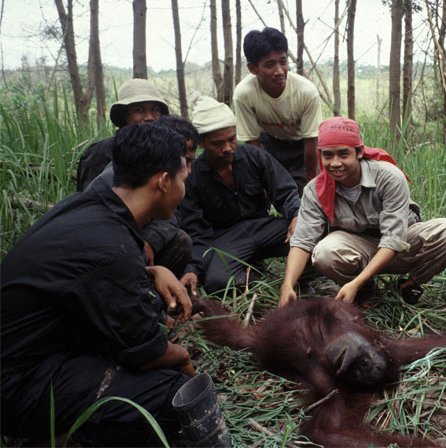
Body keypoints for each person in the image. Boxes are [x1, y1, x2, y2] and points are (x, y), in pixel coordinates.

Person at [1, 125, 198, 446]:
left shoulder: (89, 208)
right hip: (16, 384)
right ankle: (57, 438)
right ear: (163, 182)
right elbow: (147, 353)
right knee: (171, 396)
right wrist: (181, 356)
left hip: (32, 354)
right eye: (183, 180)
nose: (184, 190)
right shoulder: (109, 246)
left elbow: (92, 279)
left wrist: (153, 270)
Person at [278, 116, 446, 307]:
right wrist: (288, 285)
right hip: (358, 249)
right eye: (328, 155)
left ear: (359, 152)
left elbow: (394, 239)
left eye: (343, 154)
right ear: (320, 155)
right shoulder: (315, 189)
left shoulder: (388, 177)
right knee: (324, 253)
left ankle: (409, 285)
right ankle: (366, 292)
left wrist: (356, 282)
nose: (335, 163)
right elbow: (302, 241)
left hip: (402, 245)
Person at [178, 97, 300, 294]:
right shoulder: (193, 177)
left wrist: (296, 215)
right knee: (217, 282)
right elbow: (196, 231)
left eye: (231, 140)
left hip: (265, 229)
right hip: (227, 240)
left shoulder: (255, 156)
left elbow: (285, 191)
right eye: (217, 143)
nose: (227, 148)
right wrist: (193, 269)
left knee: (311, 233)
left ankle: (301, 277)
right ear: (201, 143)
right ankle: (260, 282)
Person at [87, 115, 200, 279]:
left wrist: (151, 241)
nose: (188, 171)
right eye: (185, 161)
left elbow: (175, 215)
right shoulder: (119, 185)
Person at [233, 27, 322, 194]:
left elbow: (311, 143)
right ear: (253, 69)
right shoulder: (244, 94)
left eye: (283, 61)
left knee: (307, 197)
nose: (279, 71)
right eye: (269, 65)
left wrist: (311, 186)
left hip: (301, 146)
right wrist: (260, 181)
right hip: (270, 143)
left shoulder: (306, 92)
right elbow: (252, 144)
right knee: (256, 192)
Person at [76, 78, 170, 191]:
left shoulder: (165, 152)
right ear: (125, 115)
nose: (149, 117)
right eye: (139, 110)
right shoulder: (102, 152)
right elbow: (89, 200)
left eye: (155, 109)